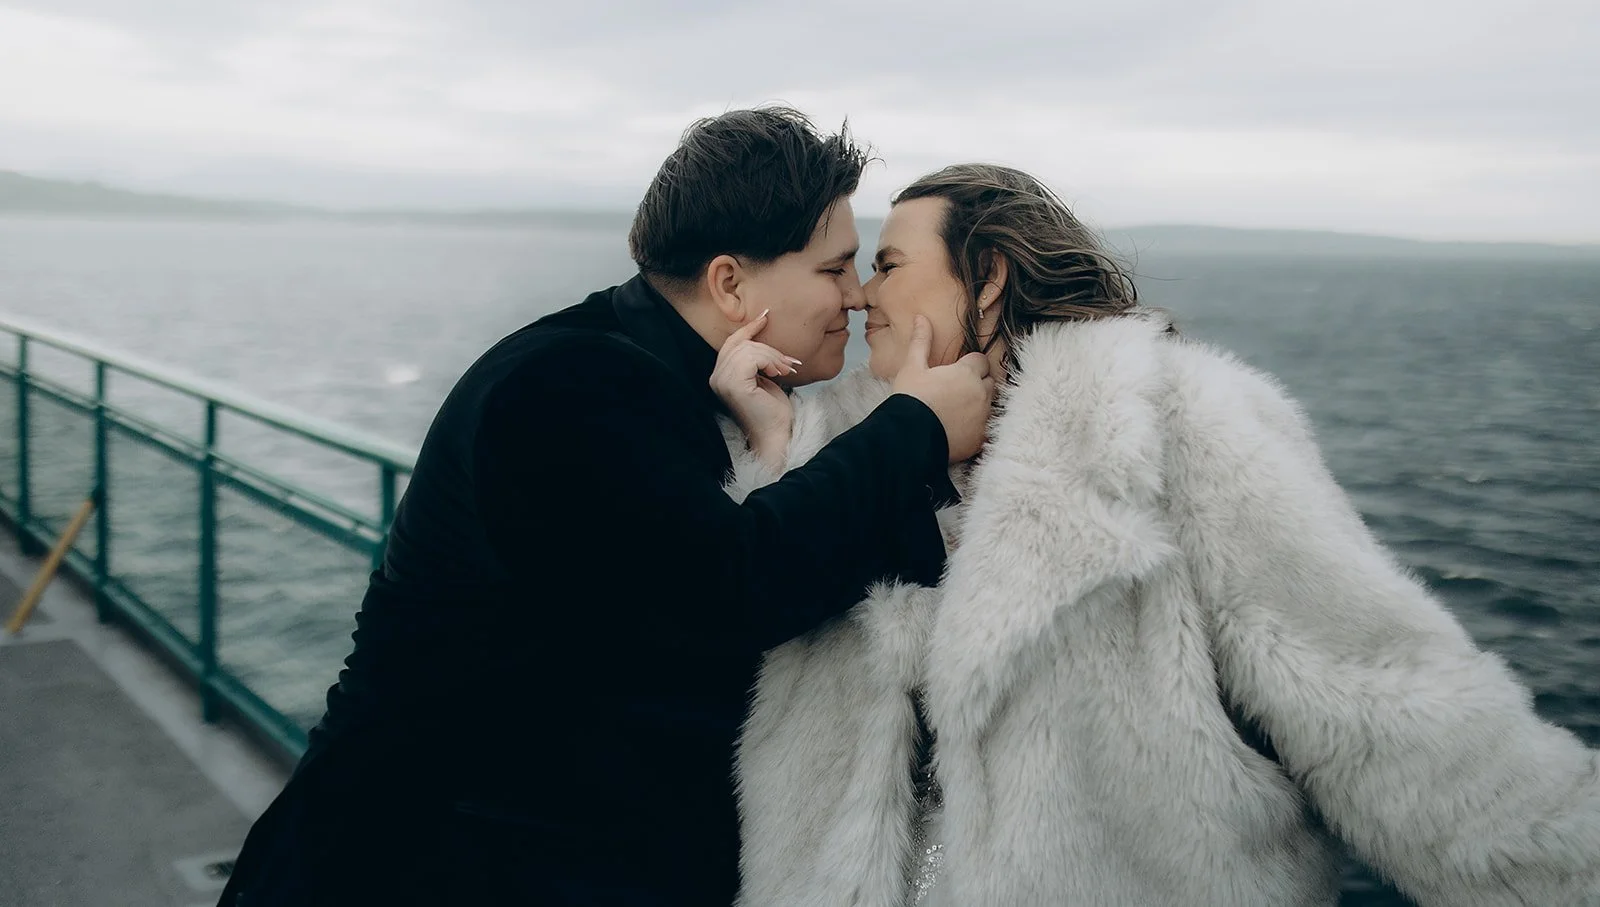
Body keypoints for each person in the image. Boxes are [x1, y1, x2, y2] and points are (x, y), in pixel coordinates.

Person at [715, 164, 1600, 907]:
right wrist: (773, 451)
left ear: (986, 275)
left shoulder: (1174, 427)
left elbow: (1379, 695)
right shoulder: (833, 447)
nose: (864, 292)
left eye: (890, 262)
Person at [218, 109, 995, 906]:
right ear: (730, 282)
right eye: (834, 269)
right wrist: (919, 429)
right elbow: (730, 586)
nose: (858, 294)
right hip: (399, 864)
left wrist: (776, 446)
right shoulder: (565, 385)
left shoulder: (669, 379)